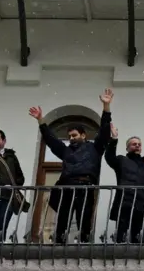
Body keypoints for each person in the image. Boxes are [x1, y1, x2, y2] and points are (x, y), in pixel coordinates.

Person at [28, 88, 113, 244]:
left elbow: (104, 131)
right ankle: (59, 240)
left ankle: (85, 241)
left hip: (86, 186)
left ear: (83, 135)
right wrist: (41, 121)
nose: (71, 138)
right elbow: (51, 140)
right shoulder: (66, 151)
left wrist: (106, 107)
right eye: (69, 136)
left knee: (85, 216)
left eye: (74, 135)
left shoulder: (95, 148)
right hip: (66, 186)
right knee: (63, 216)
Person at [104, 124, 144, 243]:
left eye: (139, 144)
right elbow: (109, 157)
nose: (137, 146)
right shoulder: (122, 160)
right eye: (134, 144)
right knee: (121, 234)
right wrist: (114, 139)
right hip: (125, 202)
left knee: (137, 236)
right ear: (128, 148)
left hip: (141, 204)